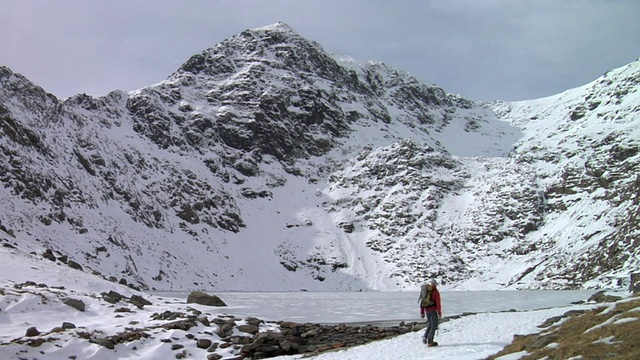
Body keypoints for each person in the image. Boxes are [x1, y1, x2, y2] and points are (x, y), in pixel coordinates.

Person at [418, 279, 442, 347]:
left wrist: (422, 312)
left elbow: (422, 302)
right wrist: (439, 312)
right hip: (433, 310)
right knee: (434, 325)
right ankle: (430, 341)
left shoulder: (427, 291)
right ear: (435, 285)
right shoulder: (435, 292)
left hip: (427, 310)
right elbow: (438, 303)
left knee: (430, 324)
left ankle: (425, 337)